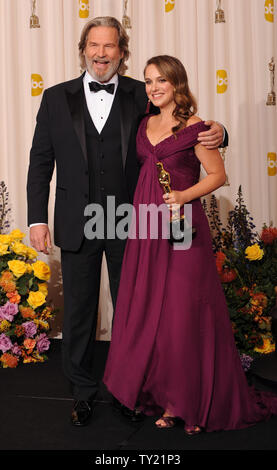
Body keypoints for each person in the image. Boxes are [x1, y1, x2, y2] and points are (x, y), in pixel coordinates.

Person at [27, 17, 227, 427]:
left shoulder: (143, 92)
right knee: (79, 312)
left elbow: (184, 123)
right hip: (77, 218)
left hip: (134, 220)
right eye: (94, 45)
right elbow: (39, 163)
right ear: (83, 48)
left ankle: (128, 389)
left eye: (110, 46)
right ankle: (83, 392)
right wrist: (36, 219)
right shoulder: (54, 98)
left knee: (135, 310)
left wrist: (221, 132)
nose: (101, 53)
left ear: (122, 51)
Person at [103, 55, 277, 434]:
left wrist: (183, 196)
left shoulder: (197, 127)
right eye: (148, 81)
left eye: (161, 80)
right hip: (146, 226)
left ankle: (194, 404)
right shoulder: (143, 123)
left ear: (177, 82)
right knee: (158, 315)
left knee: (185, 315)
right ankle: (167, 400)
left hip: (183, 226)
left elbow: (218, 175)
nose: (153, 87)